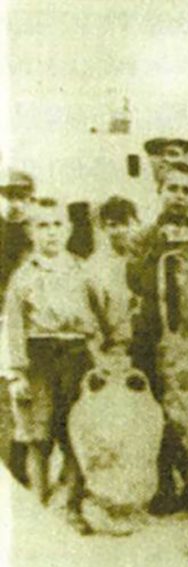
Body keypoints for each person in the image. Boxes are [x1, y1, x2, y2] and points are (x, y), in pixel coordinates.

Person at [2, 198, 124, 533]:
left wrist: (112, 347)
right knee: (37, 436)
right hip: (38, 357)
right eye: (42, 226)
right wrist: (16, 373)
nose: (51, 233)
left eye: (57, 225)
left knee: (75, 434)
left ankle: (73, 506)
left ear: (68, 228)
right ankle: (37, 508)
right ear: (30, 231)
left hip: (76, 356)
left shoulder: (82, 271)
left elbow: (106, 311)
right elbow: (13, 326)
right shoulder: (24, 276)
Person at [126, 162, 188, 512]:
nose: (180, 197)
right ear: (160, 191)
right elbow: (134, 280)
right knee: (156, 411)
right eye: (173, 189)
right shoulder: (142, 236)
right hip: (152, 334)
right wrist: (158, 247)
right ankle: (163, 483)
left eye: (187, 190)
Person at [87, 196, 141, 356]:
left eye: (126, 223)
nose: (120, 230)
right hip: (116, 348)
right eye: (113, 225)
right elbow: (94, 318)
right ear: (103, 227)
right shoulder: (95, 267)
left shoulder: (142, 258)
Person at [0, 169, 35, 298]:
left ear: (30, 199)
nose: (14, 203)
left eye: (20, 197)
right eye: (9, 196)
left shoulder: (35, 232)